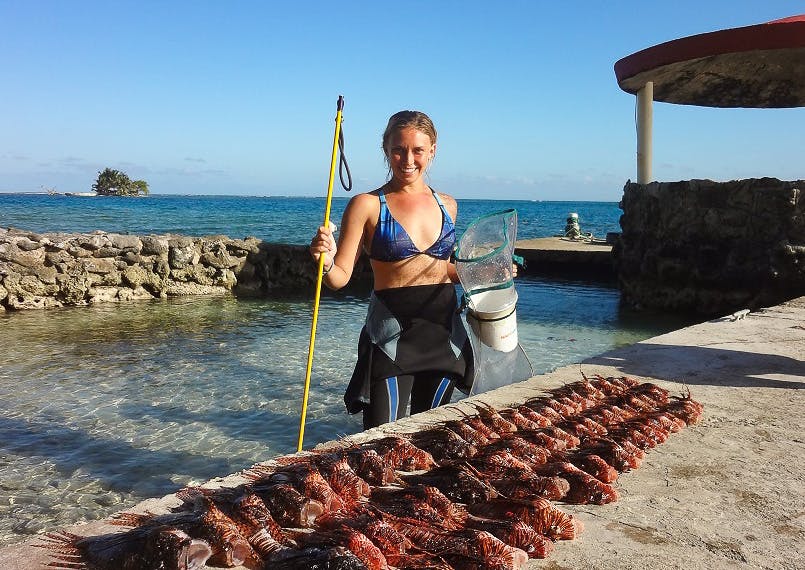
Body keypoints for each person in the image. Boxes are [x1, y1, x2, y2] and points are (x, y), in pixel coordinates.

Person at [309, 110, 473, 429]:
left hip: (443, 333)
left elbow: (442, 270)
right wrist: (325, 262)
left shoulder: (448, 205)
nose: (408, 160)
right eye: (398, 149)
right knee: (380, 439)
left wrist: (486, 272)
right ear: (386, 148)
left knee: (430, 436)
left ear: (433, 150)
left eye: (418, 150)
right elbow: (339, 278)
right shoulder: (367, 204)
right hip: (391, 336)